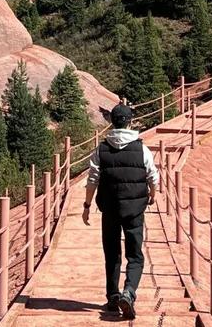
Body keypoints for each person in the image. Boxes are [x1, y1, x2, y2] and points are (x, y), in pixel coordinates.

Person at [82, 102, 159, 319]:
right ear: (130, 122)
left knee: (112, 254)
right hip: (135, 210)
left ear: (112, 122)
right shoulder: (141, 148)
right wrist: (153, 195)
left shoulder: (102, 149)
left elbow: (92, 180)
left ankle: (113, 296)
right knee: (135, 255)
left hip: (110, 209)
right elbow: (153, 175)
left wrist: (87, 206)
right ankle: (129, 291)